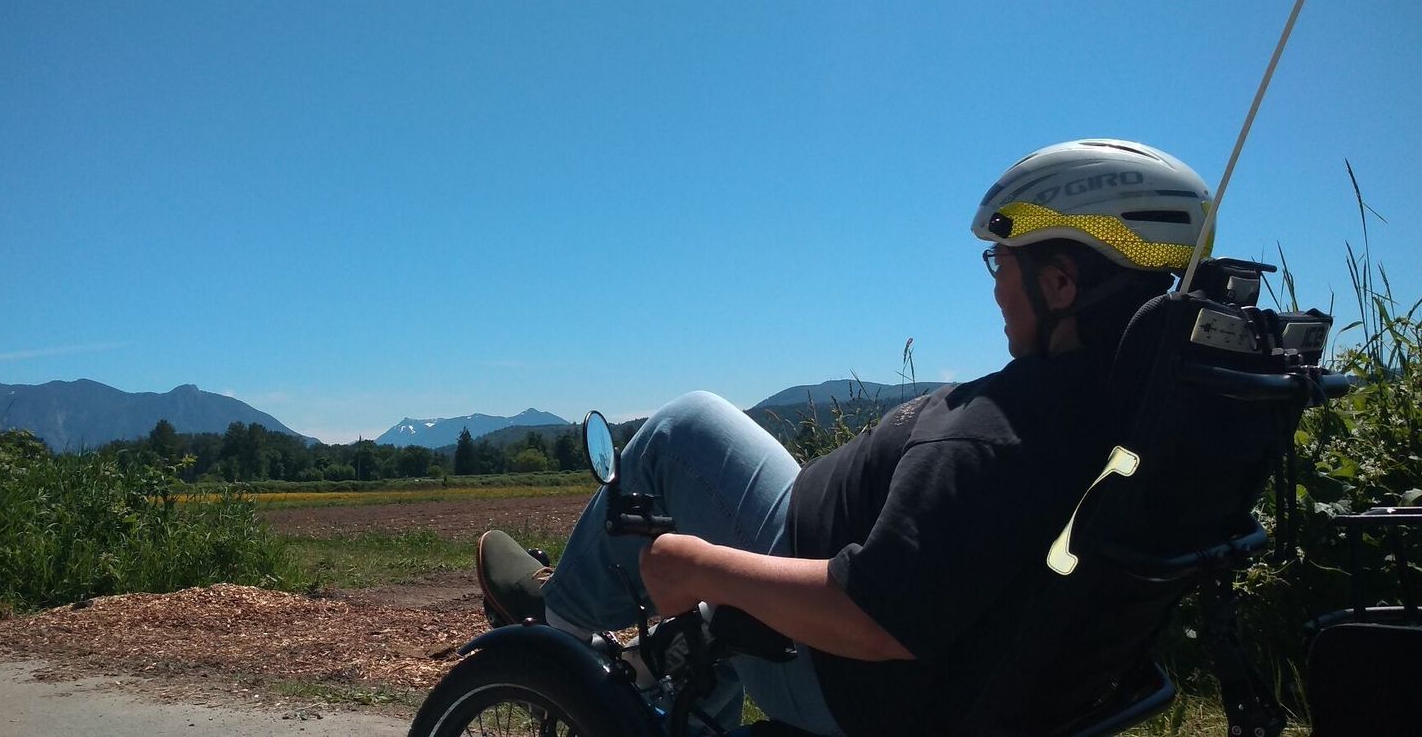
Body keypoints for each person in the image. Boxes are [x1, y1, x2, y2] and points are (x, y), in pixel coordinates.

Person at [476, 139, 1214, 735]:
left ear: (1060, 285)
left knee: (682, 428)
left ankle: (555, 625)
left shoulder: (1009, 435)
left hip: (833, 664)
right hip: (903, 653)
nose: (994, 286)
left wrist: (701, 566)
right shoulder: (1124, 410)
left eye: (1003, 261)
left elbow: (874, 615)